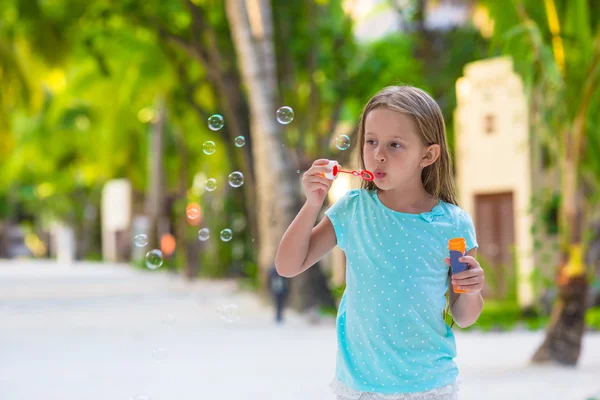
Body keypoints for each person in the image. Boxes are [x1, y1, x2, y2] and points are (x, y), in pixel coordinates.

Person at [275, 86, 485, 400]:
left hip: (429, 387)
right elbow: (288, 266)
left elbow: (464, 316)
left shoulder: (453, 224)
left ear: (427, 155)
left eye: (395, 144)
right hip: (361, 387)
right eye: (371, 141)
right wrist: (312, 203)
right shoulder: (352, 209)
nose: (378, 155)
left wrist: (472, 288)